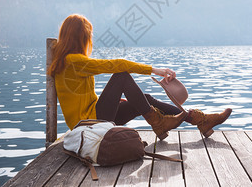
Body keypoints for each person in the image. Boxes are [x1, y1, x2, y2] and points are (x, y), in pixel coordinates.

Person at [48, 14, 231, 139]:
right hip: (88, 126)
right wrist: (155, 70)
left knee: (146, 99)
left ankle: (201, 121)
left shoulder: (65, 61)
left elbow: (82, 100)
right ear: (82, 38)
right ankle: (160, 123)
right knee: (121, 76)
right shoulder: (74, 61)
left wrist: (116, 100)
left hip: (91, 120)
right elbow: (118, 65)